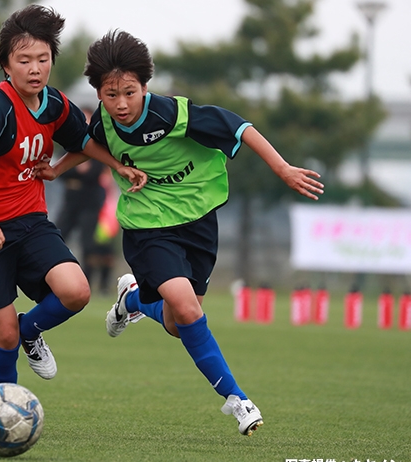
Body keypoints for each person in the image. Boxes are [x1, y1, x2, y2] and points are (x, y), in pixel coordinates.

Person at [39, 30, 324, 435]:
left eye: (129, 92)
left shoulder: (173, 115)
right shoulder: (103, 121)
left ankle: (132, 299)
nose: (121, 104)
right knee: (190, 311)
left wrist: (283, 168)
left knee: (177, 322)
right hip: (148, 227)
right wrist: (55, 169)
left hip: (198, 222)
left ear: (145, 86)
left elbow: (240, 129)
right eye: (110, 94)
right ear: (99, 92)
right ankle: (237, 399)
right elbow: (87, 145)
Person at [0, 6, 146, 386]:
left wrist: (111, 166)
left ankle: (30, 330)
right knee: (3, 335)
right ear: (6, 65)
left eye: (43, 59)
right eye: (24, 60)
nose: (35, 68)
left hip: (28, 222)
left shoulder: (54, 103)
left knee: (76, 291)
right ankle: (5, 406)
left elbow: (84, 141)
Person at [56, 108, 117, 295]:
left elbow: (94, 173)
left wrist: (78, 170)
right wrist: (77, 169)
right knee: (57, 236)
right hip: (71, 200)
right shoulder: (67, 143)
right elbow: (59, 172)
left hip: (91, 201)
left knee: (89, 243)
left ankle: (87, 281)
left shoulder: (100, 145)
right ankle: (53, 277)